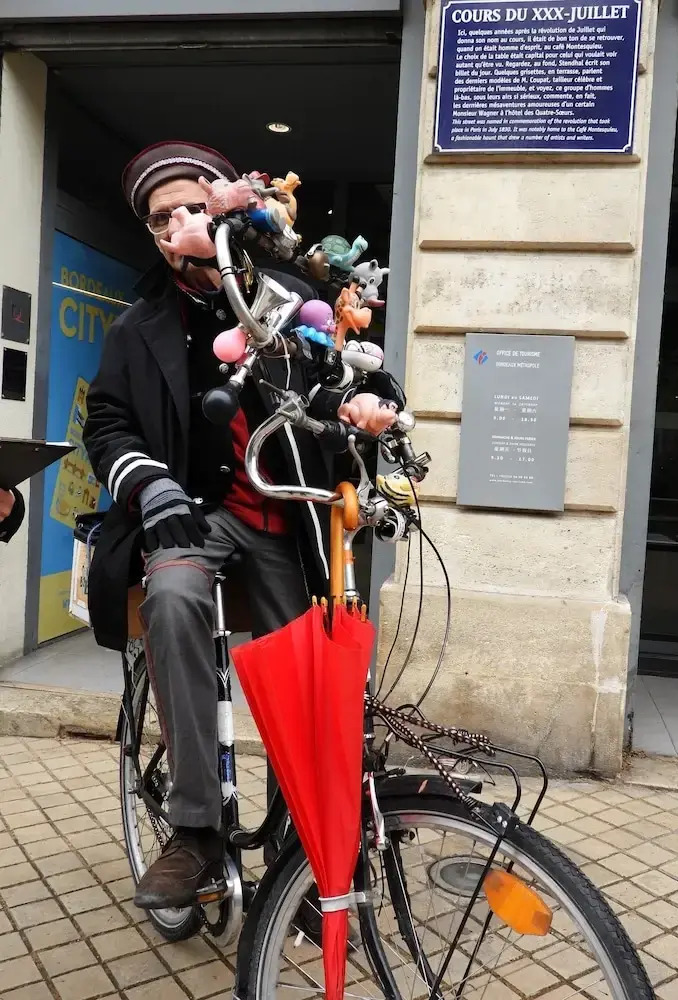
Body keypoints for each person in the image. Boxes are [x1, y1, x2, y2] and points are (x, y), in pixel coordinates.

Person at [82, 141, 405, 910]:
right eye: (162, 218)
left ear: (223, 207)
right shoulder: (137, 327)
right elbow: (108, 424)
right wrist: (149, 487)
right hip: (191, 516)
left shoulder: (290, 299)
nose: (178, 226)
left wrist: (368, 407)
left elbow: (347, 376)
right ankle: (195, 830)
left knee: (312, 665)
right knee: (172, 599)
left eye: (191, 208)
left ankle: (307, 838)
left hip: (281, 518)